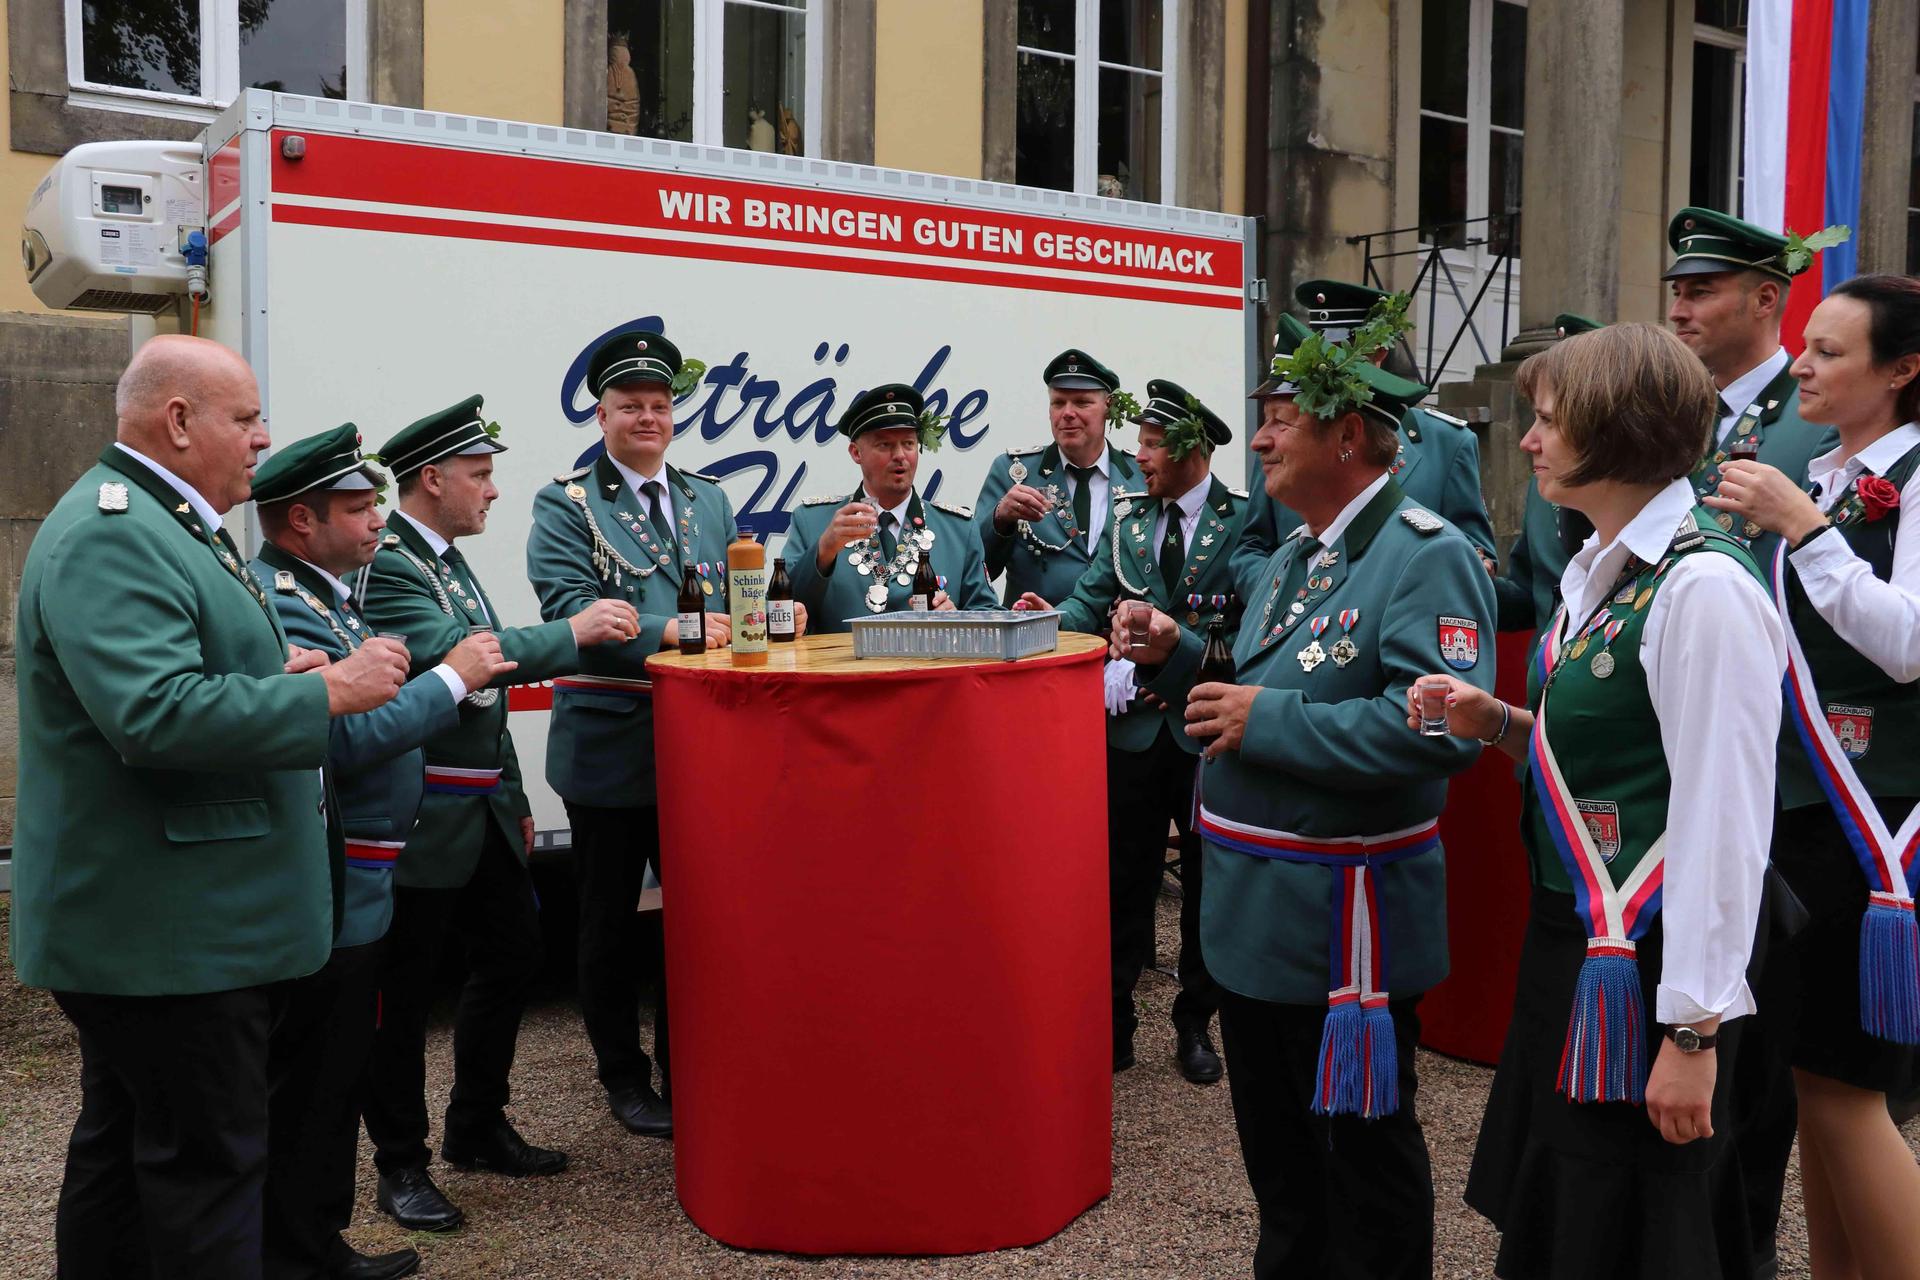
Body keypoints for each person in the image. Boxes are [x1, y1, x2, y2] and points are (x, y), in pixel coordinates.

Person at [10, 335, 410, 1279]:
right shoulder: (115, 529)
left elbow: (184, 678)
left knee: (125, 1152)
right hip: (172, 931)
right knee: (207, 1169)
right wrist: (326, 694)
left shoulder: (166, 521)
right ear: (178, 422)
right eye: (246, 418)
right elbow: (151, 714)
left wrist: (275, 677)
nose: (263, 437)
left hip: (170, 926)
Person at [1116, 320, 1496, 1278]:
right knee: (1283, 1178)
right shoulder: (1297, 554)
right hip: (1252, 923)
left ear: (1348, 436)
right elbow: (1264, 679)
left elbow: (1437, 732)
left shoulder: (1425, 554)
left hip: (1340, 931)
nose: (1258, 440)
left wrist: (1265, 721)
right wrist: (1179, 654)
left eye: (1280, 421)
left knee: (1361, 1173)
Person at [1424, 322, 1784, 1279]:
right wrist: (1501, 723)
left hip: (1657, 965)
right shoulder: (1602, 565)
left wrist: (1695, 1032)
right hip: (1579, 948)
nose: (1531, 442)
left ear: (1615, 431)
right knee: (1567, 1215)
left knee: (1635, 1223)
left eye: (1547, 422)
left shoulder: (1702, 587)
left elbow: (1724, 822)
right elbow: (1606, 755)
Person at [358, 396, 641, 1232]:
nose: (491, 491)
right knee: (403, 996)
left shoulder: (442, 553)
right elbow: (469, 661)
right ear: (432, 479)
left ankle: (475, 1125)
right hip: (424, 812)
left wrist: (513, 799)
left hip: (478, 808)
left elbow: (485, 712)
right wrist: (575, 630)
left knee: (514, 955)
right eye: (478, 476)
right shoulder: (396, 560)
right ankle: (399, 1165)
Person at [249, 424, 519, 1280]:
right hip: (341, 870)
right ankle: (303, 1245)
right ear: (301, 520)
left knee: (333, 1073)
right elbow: (351, 734)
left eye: (374, 502)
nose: (377, 520)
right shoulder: (290, 597)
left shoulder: (333, 590)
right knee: (317, 1077)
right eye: (359, 505)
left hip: (367, 865)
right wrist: (452, 680)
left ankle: (316, 1240)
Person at [1702, 274, 1920, 1280]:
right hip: (1802, 815)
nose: (1803, 363)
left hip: (1878, 821)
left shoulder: (1909, 476)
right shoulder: (1827, 471)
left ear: (1905, 369)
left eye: (1833, 351)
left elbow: (1908, 643)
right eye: (1809, 343)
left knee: (1845, 1089)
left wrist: (1812, 531)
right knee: (1814, 1076)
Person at [527, 329, 786, 1140]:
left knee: (697, 917)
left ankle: (692, 1065)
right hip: (611, 747)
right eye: (629, 406)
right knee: (607, 924)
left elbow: (734, 602)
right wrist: (682, 632)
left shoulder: (708, 498)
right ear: (601, 416)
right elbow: (569, 610)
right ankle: (624, 1079)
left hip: (701, 747)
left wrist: (773, 617)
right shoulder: (565, 503)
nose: (647, 417)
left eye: (659, 405)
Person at [1665, 205, 1851, 1272]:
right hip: (1669, 769)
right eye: (1677, 289)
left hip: (1782, 781)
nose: (1680, 306)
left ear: (1767, 299)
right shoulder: (1670, 407)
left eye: (1703, 290)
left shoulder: (1813, 421)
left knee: (1755, 1075)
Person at [1017, 380, 1246, 1083]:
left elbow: (1251, 622)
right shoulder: (1127, 519)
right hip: (1133, 736)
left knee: (1209, 883)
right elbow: (1091, 598)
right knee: (1120, 882)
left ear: (1188, 448)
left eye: (1150, 444)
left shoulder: (1240, 520)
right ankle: (1114, 1022)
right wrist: (1042, 620)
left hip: (1204, 730)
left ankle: (1194, 1023)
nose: (1138, 455)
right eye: (1140, 441)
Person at [1230, 283, 1498, 597]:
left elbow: (1474, 553)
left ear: (1379, 352)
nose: (1327, 370)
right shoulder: (1288, 437)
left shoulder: (1447, 443)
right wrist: (1288, 593)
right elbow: (1252, 547)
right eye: (1319, 354)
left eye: (1341, 353)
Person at [783, 383, 997, 629]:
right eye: (884, 445)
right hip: (842, 667)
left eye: (908, 444)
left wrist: (958, 619)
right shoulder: (812, 522)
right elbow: (781, 611)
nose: (900, 456)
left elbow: (988, 613)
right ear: (856, 452)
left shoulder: (959, 529)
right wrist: (825, 550)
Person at [973, 348, 1143, 604]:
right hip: (1034, 636)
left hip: (1117, 637)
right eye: (1058, 402)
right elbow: (976, 569)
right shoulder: (1014, 473)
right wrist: (1000, 519)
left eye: (1082, 402)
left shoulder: (1140, 475)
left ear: (1109, 407)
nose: (1067, 413)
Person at [1493, 314, 1602, 644]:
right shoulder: (1541, 488)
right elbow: (1530, 597)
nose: (1527, 442)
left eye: (1548, 420)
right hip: (1547, 681)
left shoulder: (1695, 576)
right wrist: (1464, 576)